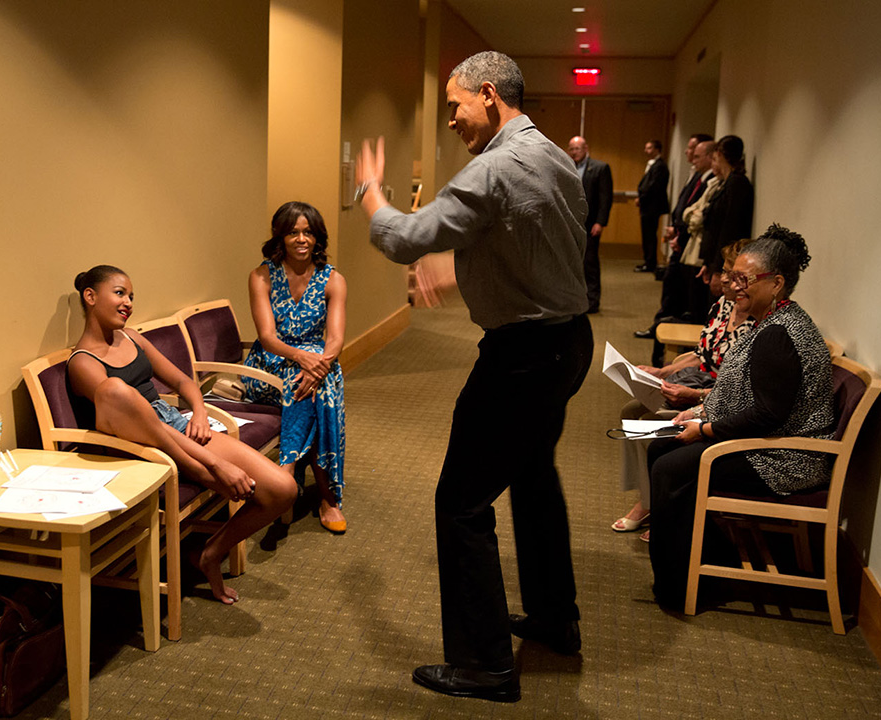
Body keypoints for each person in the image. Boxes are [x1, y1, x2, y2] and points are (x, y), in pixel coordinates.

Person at [354, 50, 592, 703]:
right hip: (568, 344)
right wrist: (462, 263)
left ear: (489, 94)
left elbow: (404, 237)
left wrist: (369, 192)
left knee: (460, 501)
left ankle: (485, 664)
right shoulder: (553, 158)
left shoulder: (495, 168)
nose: (453, 120)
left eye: (455, 106)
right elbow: (528, 241)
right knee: (533, 477)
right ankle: (553, 619)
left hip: (521, 358)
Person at [65, 265, 298, 605]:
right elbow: (144, 426)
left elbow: (183, 381)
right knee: (119, 390)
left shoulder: (133, 338)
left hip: (173, 426)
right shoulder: (82, 362)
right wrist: (217, 464)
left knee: (283, 489)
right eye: (119, 293)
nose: (128, 302)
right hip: (141, 445)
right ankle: (213, 469)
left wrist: (200, 413)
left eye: (131, 296)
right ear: (90, 296)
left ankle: (209, 553)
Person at [645, 225, 834, 610]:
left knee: (671, 469)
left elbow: (767, 413)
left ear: (777, 283)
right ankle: (707, 557)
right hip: (763, 441)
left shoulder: (780, 333)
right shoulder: (770, 319)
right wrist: (700, 412)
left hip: (783, 457)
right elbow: (748, 395)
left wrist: (705, 429)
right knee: (660, 447)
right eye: (731, 277)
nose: (733, 287)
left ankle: (679, 587)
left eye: (743, 279)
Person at [612, 240, 755, 542]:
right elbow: (702, 354)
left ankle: (657, 504)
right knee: (630, 411)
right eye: (725, 272)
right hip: (699, 381)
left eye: (733, 274)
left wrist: (693, 397)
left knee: (651, 424)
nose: (724, 279)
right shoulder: (722, 306)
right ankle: (650, 499)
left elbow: (740, 390)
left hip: (714, 395)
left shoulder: (758, 321)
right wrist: (661, 372)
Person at [241, 201, 348, 534]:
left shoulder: (334, 280)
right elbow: (267, 337)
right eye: (293, 232)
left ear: (317, 238)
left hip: (317, 364)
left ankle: (284, 475)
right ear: (280, 237)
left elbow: (335, 339)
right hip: (269, 365)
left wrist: (317, 367)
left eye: (308, 232)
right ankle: (328, 497)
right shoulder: (261, 276)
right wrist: (303, 360)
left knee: (318, 388)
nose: (301, 239)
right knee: (311, 387)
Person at [634, 136, 715, 349]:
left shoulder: (709, 181)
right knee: (671, 286)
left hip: (689, 245)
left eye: (696, 154)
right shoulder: (697, 176)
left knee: (678, 289)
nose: (691, 157)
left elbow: (697, 214)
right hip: (681, 238)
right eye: (690, 151)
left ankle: (666, 327)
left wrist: (681, 232)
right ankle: (661, 324)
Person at [689, 134, 754, 321]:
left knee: (717, 312)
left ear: (722, 156)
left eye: (715, 159)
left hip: (724, 262)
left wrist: (719, 270)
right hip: (714, 261)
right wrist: (708, 263)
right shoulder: (725, 184)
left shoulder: (737, 184)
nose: (713, 164)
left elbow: (728, 230)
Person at [566, 136, 613, 313]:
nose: (574, 152)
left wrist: (600, 222)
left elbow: (605, 198)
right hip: (570, 224)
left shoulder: (600, 168)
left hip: (591, 224)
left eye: (577, 149)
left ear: (586, 148)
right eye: (571, 149)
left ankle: (592, 301)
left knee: (589, 262)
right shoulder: (567, 166)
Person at [634, 139, 670, 273]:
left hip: (652, 206)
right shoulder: (653, 164)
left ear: (656, 149)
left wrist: (641, 198)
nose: (646, 151)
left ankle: (650, 263)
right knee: (647, 234)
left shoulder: (660, 166)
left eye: (649, 148)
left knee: (649, 235)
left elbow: (653, 186)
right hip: (648, 205)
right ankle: (648, 261)